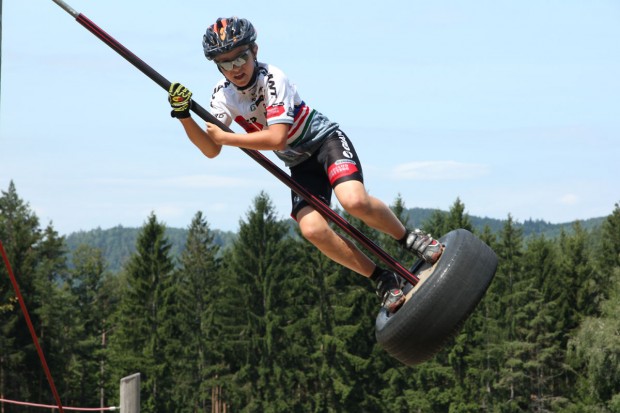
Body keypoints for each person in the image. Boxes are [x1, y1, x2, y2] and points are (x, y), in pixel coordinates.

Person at [167, 17, 443, 313]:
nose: (235, 68)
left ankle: (409, 238)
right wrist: (184, 116)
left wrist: (227, 138)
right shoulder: (222, 95)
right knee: (311, 229)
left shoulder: (272, 78)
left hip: (325, 143)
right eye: (225, 63)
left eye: (241, 57)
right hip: (299, 164)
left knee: (353, 201)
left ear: (255, 51)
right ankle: (381, 278)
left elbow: (276, 137)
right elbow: (211, 149)